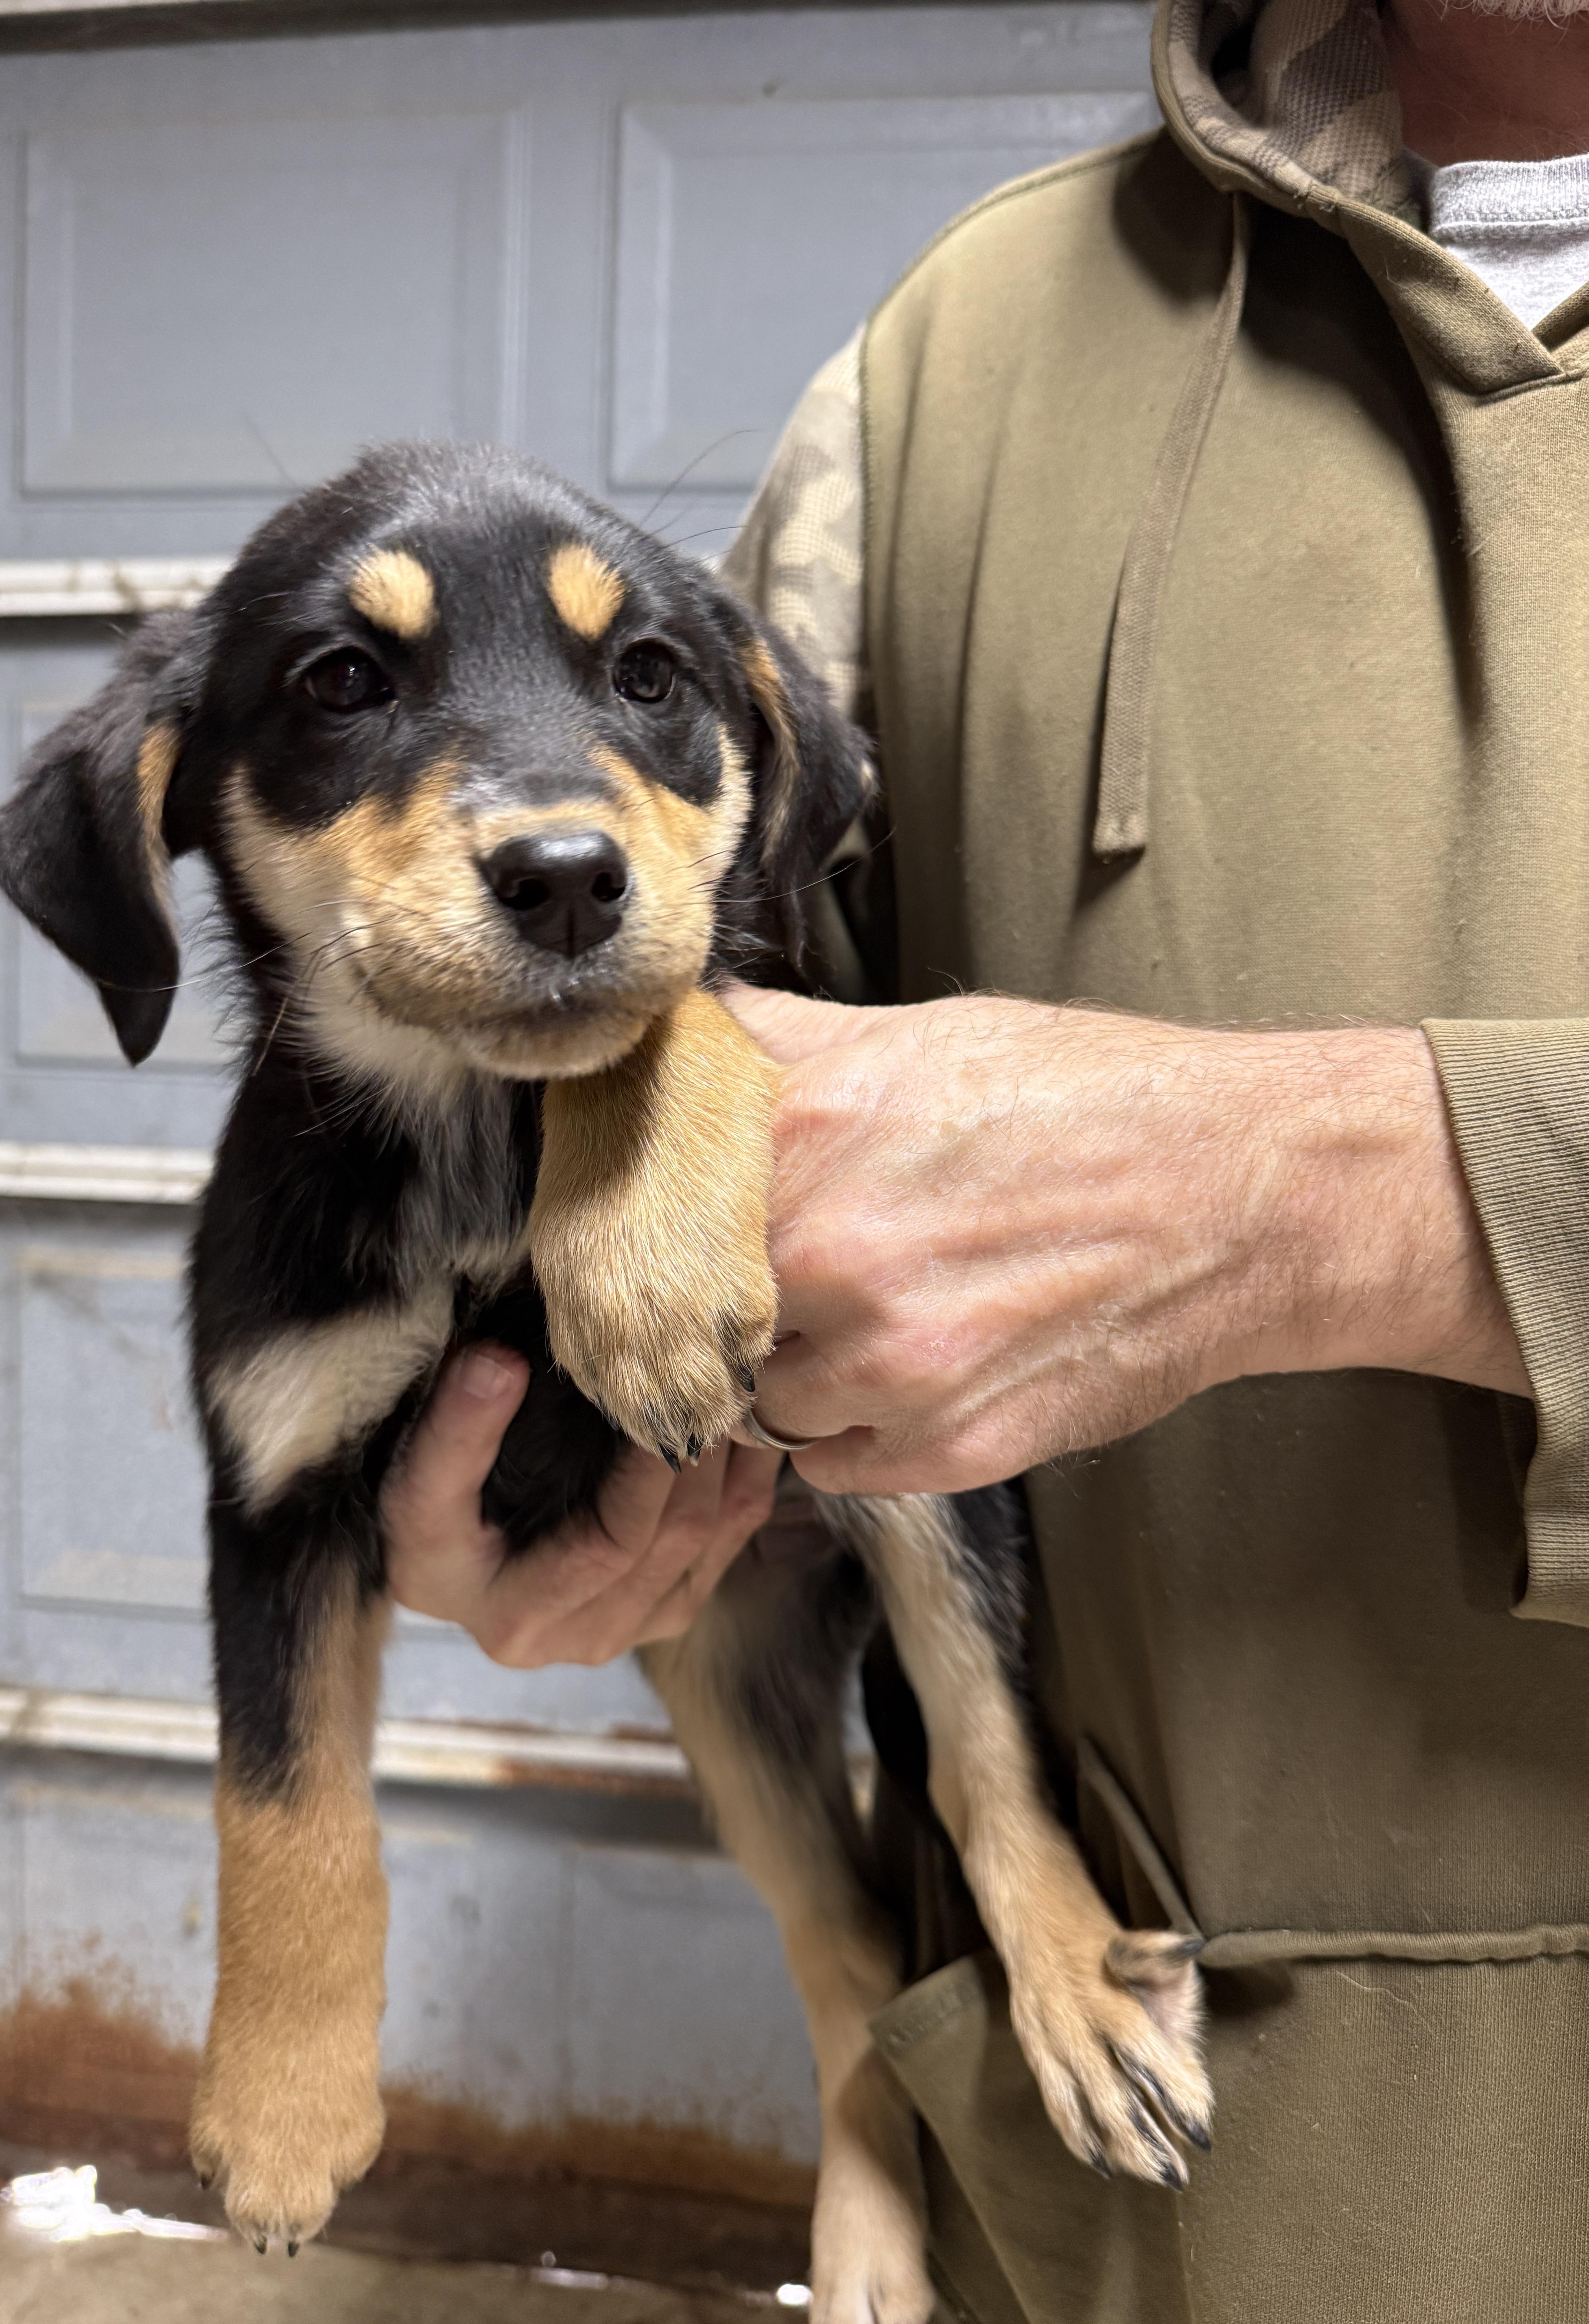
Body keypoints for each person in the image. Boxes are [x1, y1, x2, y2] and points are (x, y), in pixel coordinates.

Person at [385, 2, 1589, 2314]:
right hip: (1136, 2197)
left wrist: (1340, 1195)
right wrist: (553, 1491)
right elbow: (704, 1110)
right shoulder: (954, 372)